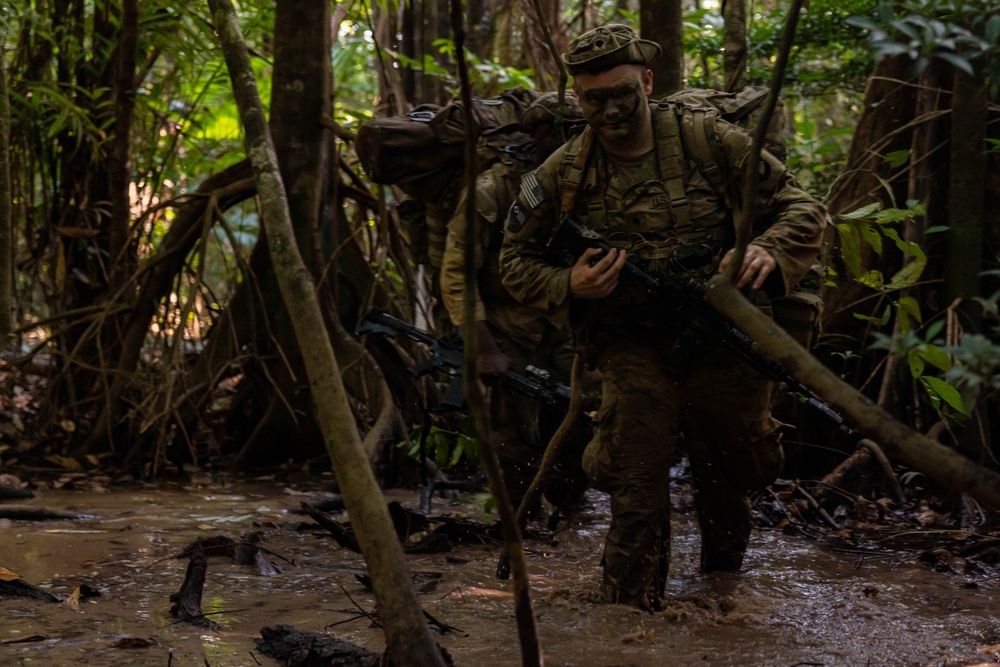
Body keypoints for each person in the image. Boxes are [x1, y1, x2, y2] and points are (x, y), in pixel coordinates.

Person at [499, 24, 827, 610]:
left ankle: (724, 601)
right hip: (632, 344)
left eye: (626, 92)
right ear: (579, 99)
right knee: (635, 480)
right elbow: (513, 260)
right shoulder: (562, 173)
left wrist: (766, 249)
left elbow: (801, 206)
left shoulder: (710, 142)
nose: (615, 108)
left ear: (648, 82)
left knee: (729, 474)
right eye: (597, 98)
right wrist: (568, 282)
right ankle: (628, 623)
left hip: (721, 335)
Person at [439, 92, 592, 513]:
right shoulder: (493, 188)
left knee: (580, 424)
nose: (571, 140)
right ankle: (518, 530)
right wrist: (482, 345)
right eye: (561, 132)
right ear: (536, 135)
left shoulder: (589, 178)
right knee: (513, 438)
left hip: (568, 326)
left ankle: (569, 519)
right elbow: (456, 271)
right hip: (508, 328)